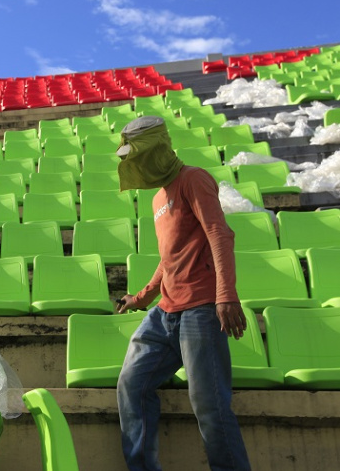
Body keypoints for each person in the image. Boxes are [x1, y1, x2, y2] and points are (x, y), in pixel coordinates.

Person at [114, 115, 251, 471]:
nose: (132, 164)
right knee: (132, 383)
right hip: (165, 312)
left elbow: (219, 234)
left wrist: (225, 294)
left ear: (156, 148)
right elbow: (168, 259)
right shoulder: (157, 198)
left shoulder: (193, 179)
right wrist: (141, 298)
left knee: (209, 405)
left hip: (201, 310)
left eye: (136, 155)